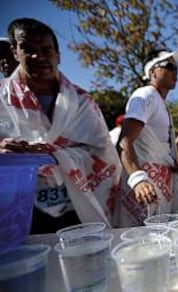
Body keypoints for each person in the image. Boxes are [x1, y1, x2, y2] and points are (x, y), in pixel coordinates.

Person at [0, 18, 122, 233]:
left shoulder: (83, 103)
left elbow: (105, 155)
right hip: (22, 212)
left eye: (46, 50)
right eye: (28, 49)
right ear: (15, 52)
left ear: (58, 55)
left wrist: (56, 156)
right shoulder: (2, 100)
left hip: (77, 207)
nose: (38, 57)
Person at [116, 49, 178, 226]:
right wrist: (138, 179)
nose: (174, 71)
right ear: (152, 71)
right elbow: (125, 141)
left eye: (176, 68)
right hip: (146, 184)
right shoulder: (145, 95)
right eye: (169, 66)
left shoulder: (160, 102)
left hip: (161, 180)